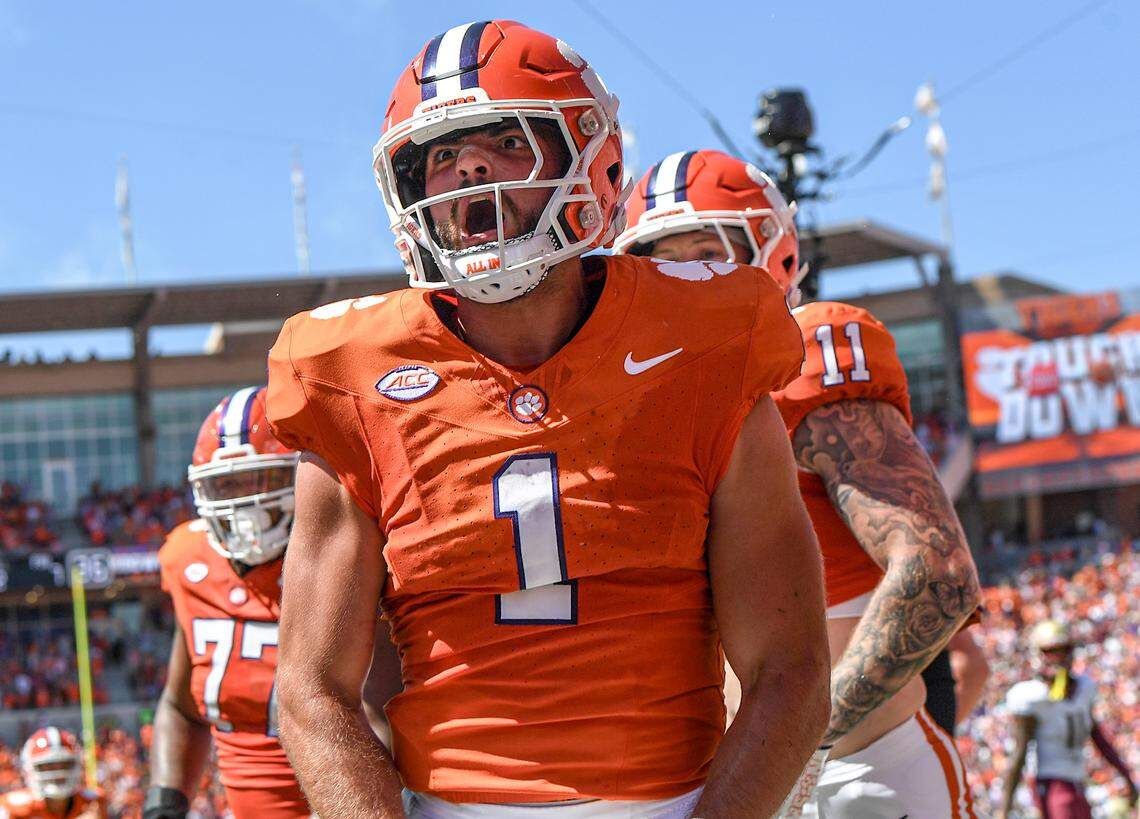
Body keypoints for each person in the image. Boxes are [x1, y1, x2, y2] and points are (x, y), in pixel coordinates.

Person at [266, 19, 830, 819]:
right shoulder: (350, 374)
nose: (467, 168)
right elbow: (312, 691)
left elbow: (790, 668)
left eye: (505, 139)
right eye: (439, 156)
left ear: (587, 157)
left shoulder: (707, 342)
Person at [615, 149, 982, 818]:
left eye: (709, 248)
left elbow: (938, 571)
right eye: (663, 259)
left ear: (775, 255)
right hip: (736, 782)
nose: (690, 274)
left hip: (855, 775)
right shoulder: (665, 407)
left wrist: (802, 745)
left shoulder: (813, 348)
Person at [145, 387, 309, 819]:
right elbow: (183, 707)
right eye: (226, 486)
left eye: (261, 481)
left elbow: (383, 715)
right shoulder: (189, 560)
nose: (244, 506)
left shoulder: (348, 555)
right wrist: (164, 804)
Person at [999, 620, 1137, 819]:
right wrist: (1005, 809)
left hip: (1077, 781)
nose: (1059, 657)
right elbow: (1019, 754)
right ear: (1039, 655)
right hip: (1049, 782)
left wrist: (1126, 776)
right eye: (1052, 651)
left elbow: (1098, 738)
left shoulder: (1084, 688)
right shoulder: (1031, 696)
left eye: (1064, 650)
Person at [0, 728, 105, 819]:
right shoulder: (12, 807)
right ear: (29, 769)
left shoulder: (94, 802)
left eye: (64, 764)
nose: (58, 773)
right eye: (48, 766)